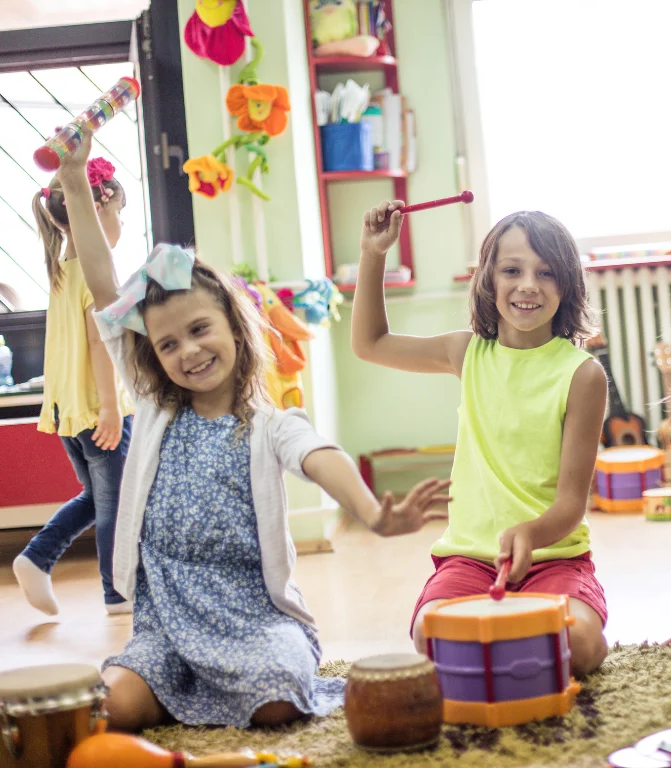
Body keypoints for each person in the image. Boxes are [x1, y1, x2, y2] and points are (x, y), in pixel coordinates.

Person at [56, 131, 450, 731]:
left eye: (199, 330)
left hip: (256, 620)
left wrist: (371, 513)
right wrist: (76, 178)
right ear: (152, 355)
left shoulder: (268, 424)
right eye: (167, 343)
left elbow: (321, 455)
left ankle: (225, 693)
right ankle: (172, 690)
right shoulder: (156, 408)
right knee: (113, 709)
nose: (187, 351)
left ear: (236, 331)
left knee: (276, 701)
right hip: (164, 625)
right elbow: (103, 282)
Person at [352, 201, 609, 677]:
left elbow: (572, 504)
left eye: (547, 273)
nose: (528, 285)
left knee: (582, 643)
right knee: (431, 636)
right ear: (489, 280)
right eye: (512, 270)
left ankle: (505, 644)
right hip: (469, 560)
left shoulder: (583, 375)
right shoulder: (465, 352)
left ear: (568, 285)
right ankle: (514, 648)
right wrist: (373, 253)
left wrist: (529, 534)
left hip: (554, 562)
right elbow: (369, 343)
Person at [13, 158, 134, 615]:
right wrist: (109, 407)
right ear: (98, 210)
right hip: (96, 407)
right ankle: (117, 594)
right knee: (115, 505)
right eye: (120, 212)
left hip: (68, 409)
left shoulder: (63, 268)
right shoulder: (93, 273)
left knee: (96, 496)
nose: (121, 223)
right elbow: (98, 342)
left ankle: (36, 558)